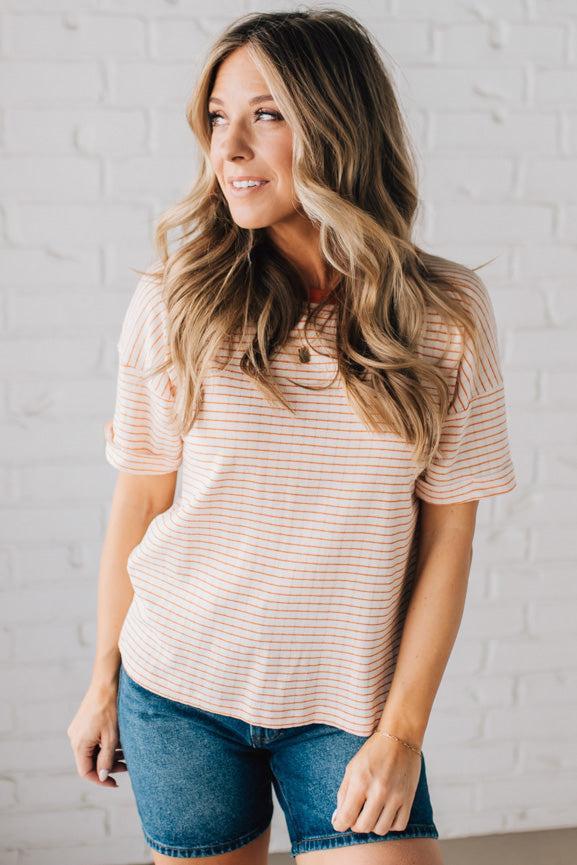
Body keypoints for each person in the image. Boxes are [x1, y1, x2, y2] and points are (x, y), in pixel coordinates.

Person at [67, 9, 517, 864]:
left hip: (347, 706)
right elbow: (141, 499)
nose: (228, 148)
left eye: (266, 114)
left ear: (339, 125)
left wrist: (401, 733)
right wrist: (101, 683)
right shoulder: (177, 301)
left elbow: (448, 534)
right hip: (176, 693)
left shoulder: (443, 314)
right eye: (216, 118)